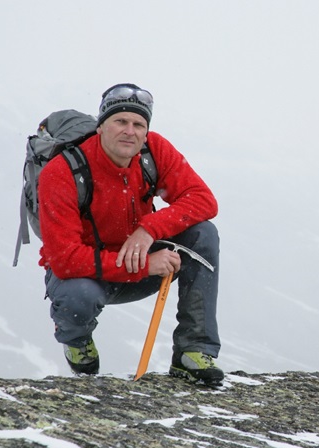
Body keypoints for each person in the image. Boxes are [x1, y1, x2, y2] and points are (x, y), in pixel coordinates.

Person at [38, 83, 223, 385]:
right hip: (85, 276)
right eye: (120, 121)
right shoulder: (63, 172)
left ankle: (193, 352)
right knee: (77, 297)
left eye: (139, 124)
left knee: (202, 234)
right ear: (100, 127)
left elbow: (203, 200)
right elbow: (64, 259)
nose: (130, 131)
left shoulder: (154, 151)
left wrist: (149, 229)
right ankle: (76, 339)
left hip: (139, 256)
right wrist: (145, 265)